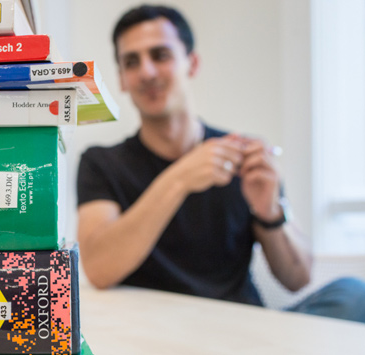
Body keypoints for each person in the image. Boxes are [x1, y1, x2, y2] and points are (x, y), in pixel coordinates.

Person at [76, 4, 365, 323]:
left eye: (160, 55)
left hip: (246, 328)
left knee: (352, 293)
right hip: (158, 330)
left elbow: (298, 277)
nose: (147, 72)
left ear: (192, 63)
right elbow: (99, 269)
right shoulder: (100, 163)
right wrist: (180, 178)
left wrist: (270, 212)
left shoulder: (243, 157)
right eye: (132, 62)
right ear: (122, 79)